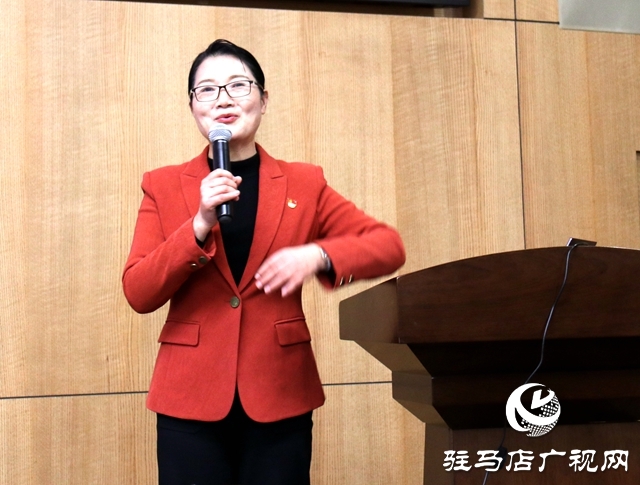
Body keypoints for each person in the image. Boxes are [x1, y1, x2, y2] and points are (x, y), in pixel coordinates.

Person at [122, 39, 406, 485]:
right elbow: (138, 291)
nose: (223, 99)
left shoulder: (304, 183)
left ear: (264, 99)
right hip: (190, 397)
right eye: (207, 90)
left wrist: (318, 254)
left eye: (238, 85)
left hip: (279, 392)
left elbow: (387, 246)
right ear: (193, 106)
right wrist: (198, 224)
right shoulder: (163, 186)